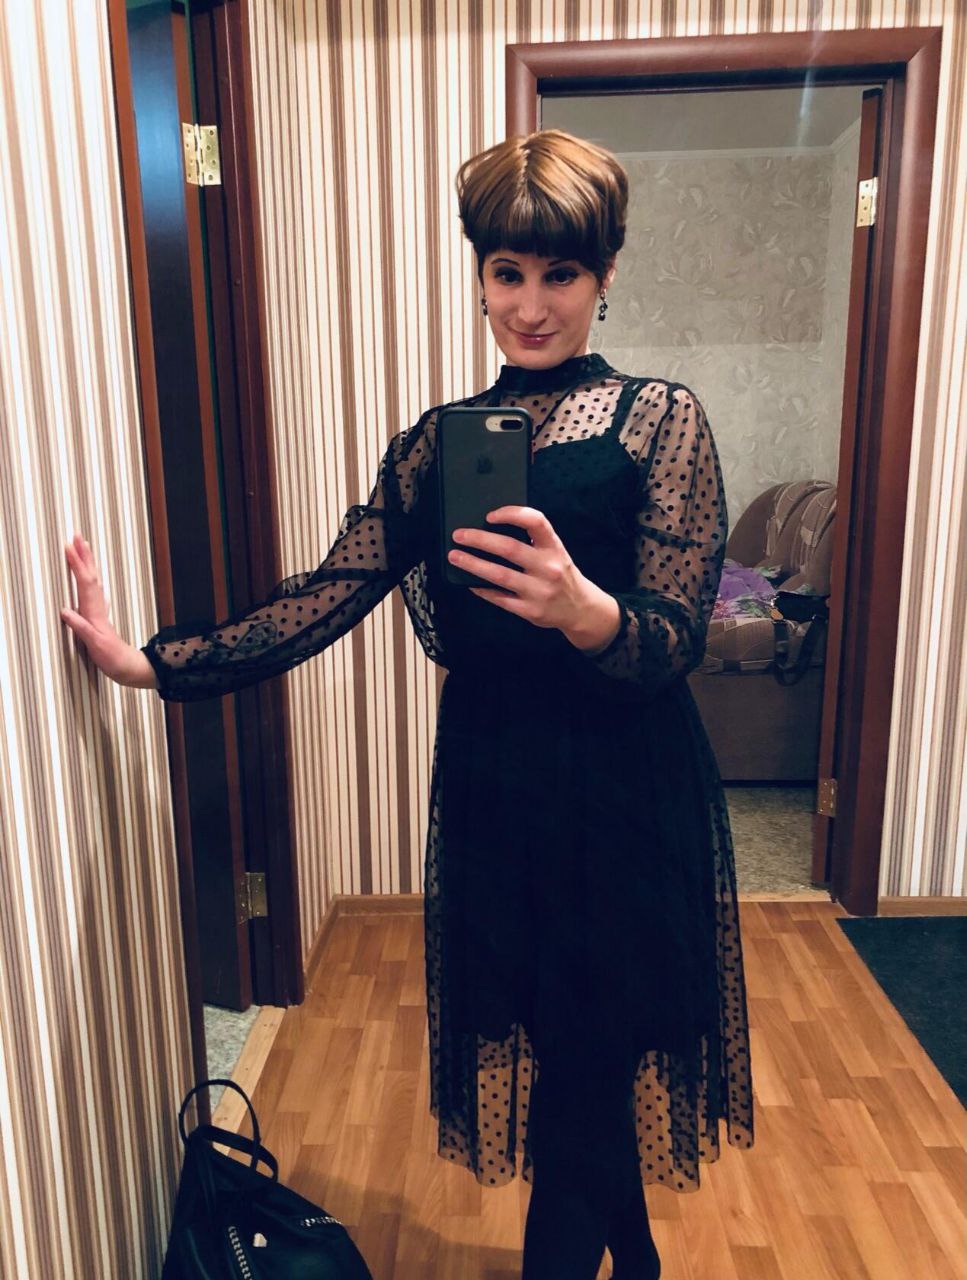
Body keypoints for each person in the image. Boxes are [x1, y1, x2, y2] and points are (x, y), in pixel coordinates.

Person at [61, 128, 754, 1280]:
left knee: (590, 1060)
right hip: (496, 792)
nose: (528, 305)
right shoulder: (440, 447)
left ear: (606, 272)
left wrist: (583, 608)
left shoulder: (658, 420)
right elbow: (326, 594)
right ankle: (635, 1260)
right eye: (505, 271)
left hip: (624, 797)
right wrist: (151, 661)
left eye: (559, 272)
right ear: (479, 273)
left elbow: (677, 634)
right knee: (568, 1052)